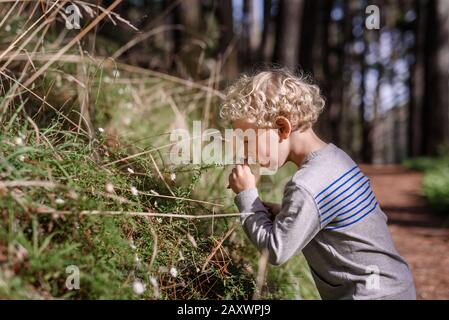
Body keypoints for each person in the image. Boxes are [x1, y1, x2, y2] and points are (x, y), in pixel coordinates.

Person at [220, 68, 416, 300]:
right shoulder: (335, 160)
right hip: (394, 287)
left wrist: (247, 197)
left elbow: (276, 251)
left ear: (282, 128)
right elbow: (334, 220)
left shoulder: (306, 185)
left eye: (248, 140)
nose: (246, 152)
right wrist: (285, 214)